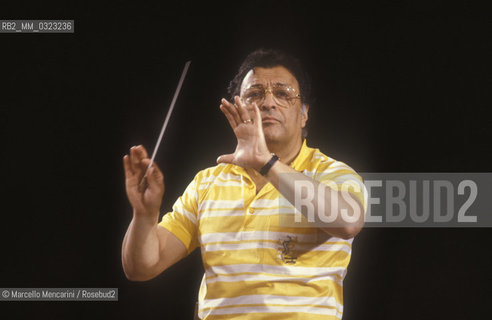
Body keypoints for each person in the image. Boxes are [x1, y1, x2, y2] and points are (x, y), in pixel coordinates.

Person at [122, 48, 367, 320]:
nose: (268, 103)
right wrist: (144, 215)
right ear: (237, 106)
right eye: (254, 94)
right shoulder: (208, 182)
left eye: (283, 94)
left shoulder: (332, 173)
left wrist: (266, 162)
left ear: (304, 114)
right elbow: (142, 266)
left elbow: (348, 222)